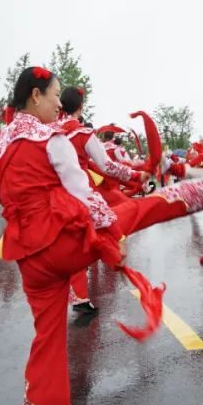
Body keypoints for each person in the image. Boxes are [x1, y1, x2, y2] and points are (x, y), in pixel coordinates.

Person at [0, 66, 203, 405]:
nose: (56, 105)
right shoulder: (54, 139)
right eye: (52, 96)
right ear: (35, 96)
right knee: (133, 212)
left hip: (27, 256)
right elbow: (86, 194)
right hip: (59, 241)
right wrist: (109, 240)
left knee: (47, 339)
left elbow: (5, 195)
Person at [58, 86, 151, 310]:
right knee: (110, 227)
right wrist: (136, 175)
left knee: (75, 241)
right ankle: (80, 291)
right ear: (81, 106)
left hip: (57, 195)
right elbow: (106, 166)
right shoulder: (82, 133)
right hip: (82, 194)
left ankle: (78, 294)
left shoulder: (52, 130)